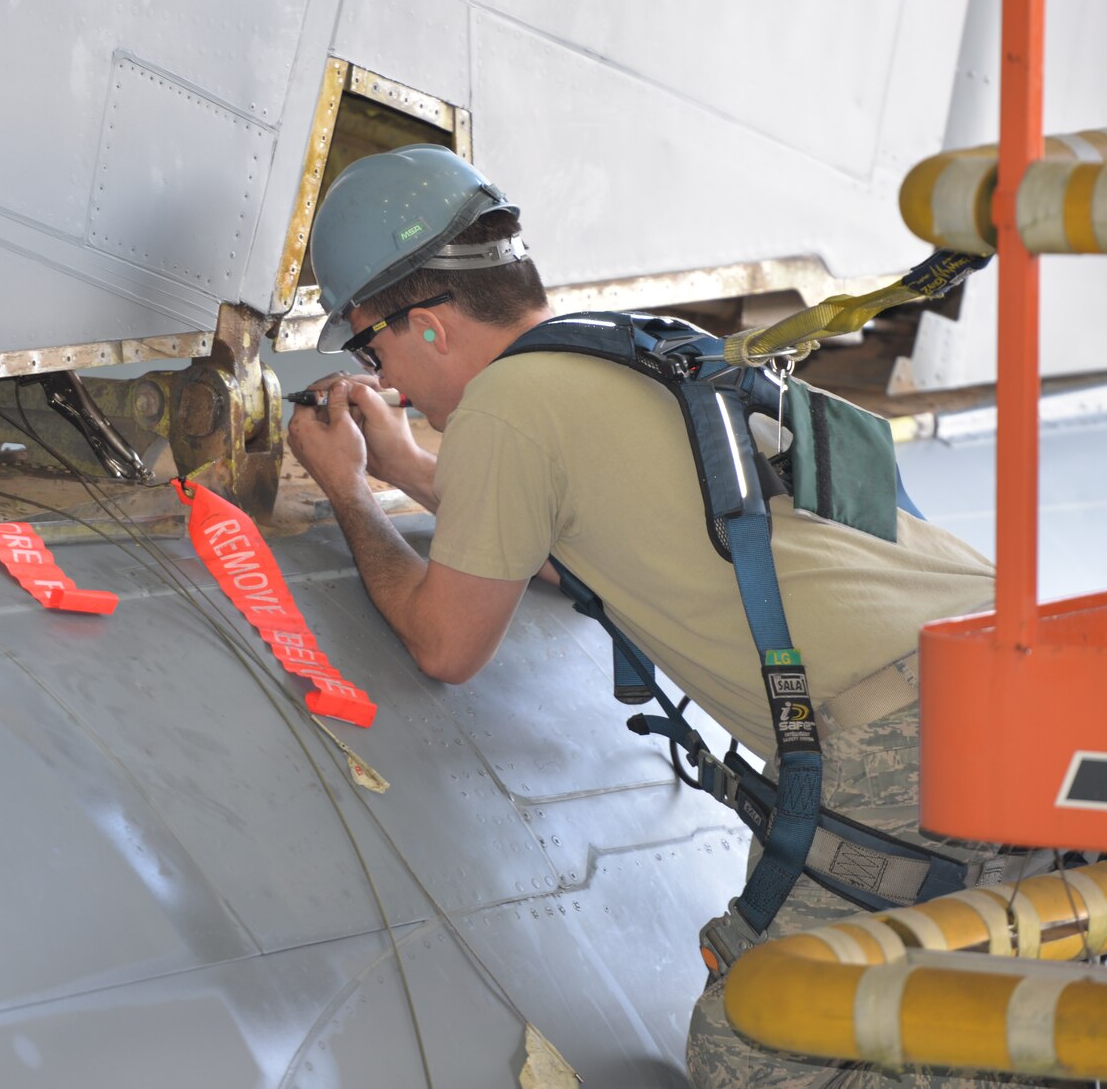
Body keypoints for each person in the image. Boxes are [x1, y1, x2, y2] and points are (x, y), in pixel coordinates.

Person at [285, 144, 1004, 1088]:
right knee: (988, 993)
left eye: (372, 351)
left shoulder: (507, 409)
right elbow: (556, 532)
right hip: (1004, 659)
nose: (387, 385)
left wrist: (350, 495)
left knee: (757, 1038)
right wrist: (411, 466)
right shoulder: (630, 345)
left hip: (904, 734)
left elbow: (445, 640)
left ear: (427, 325)